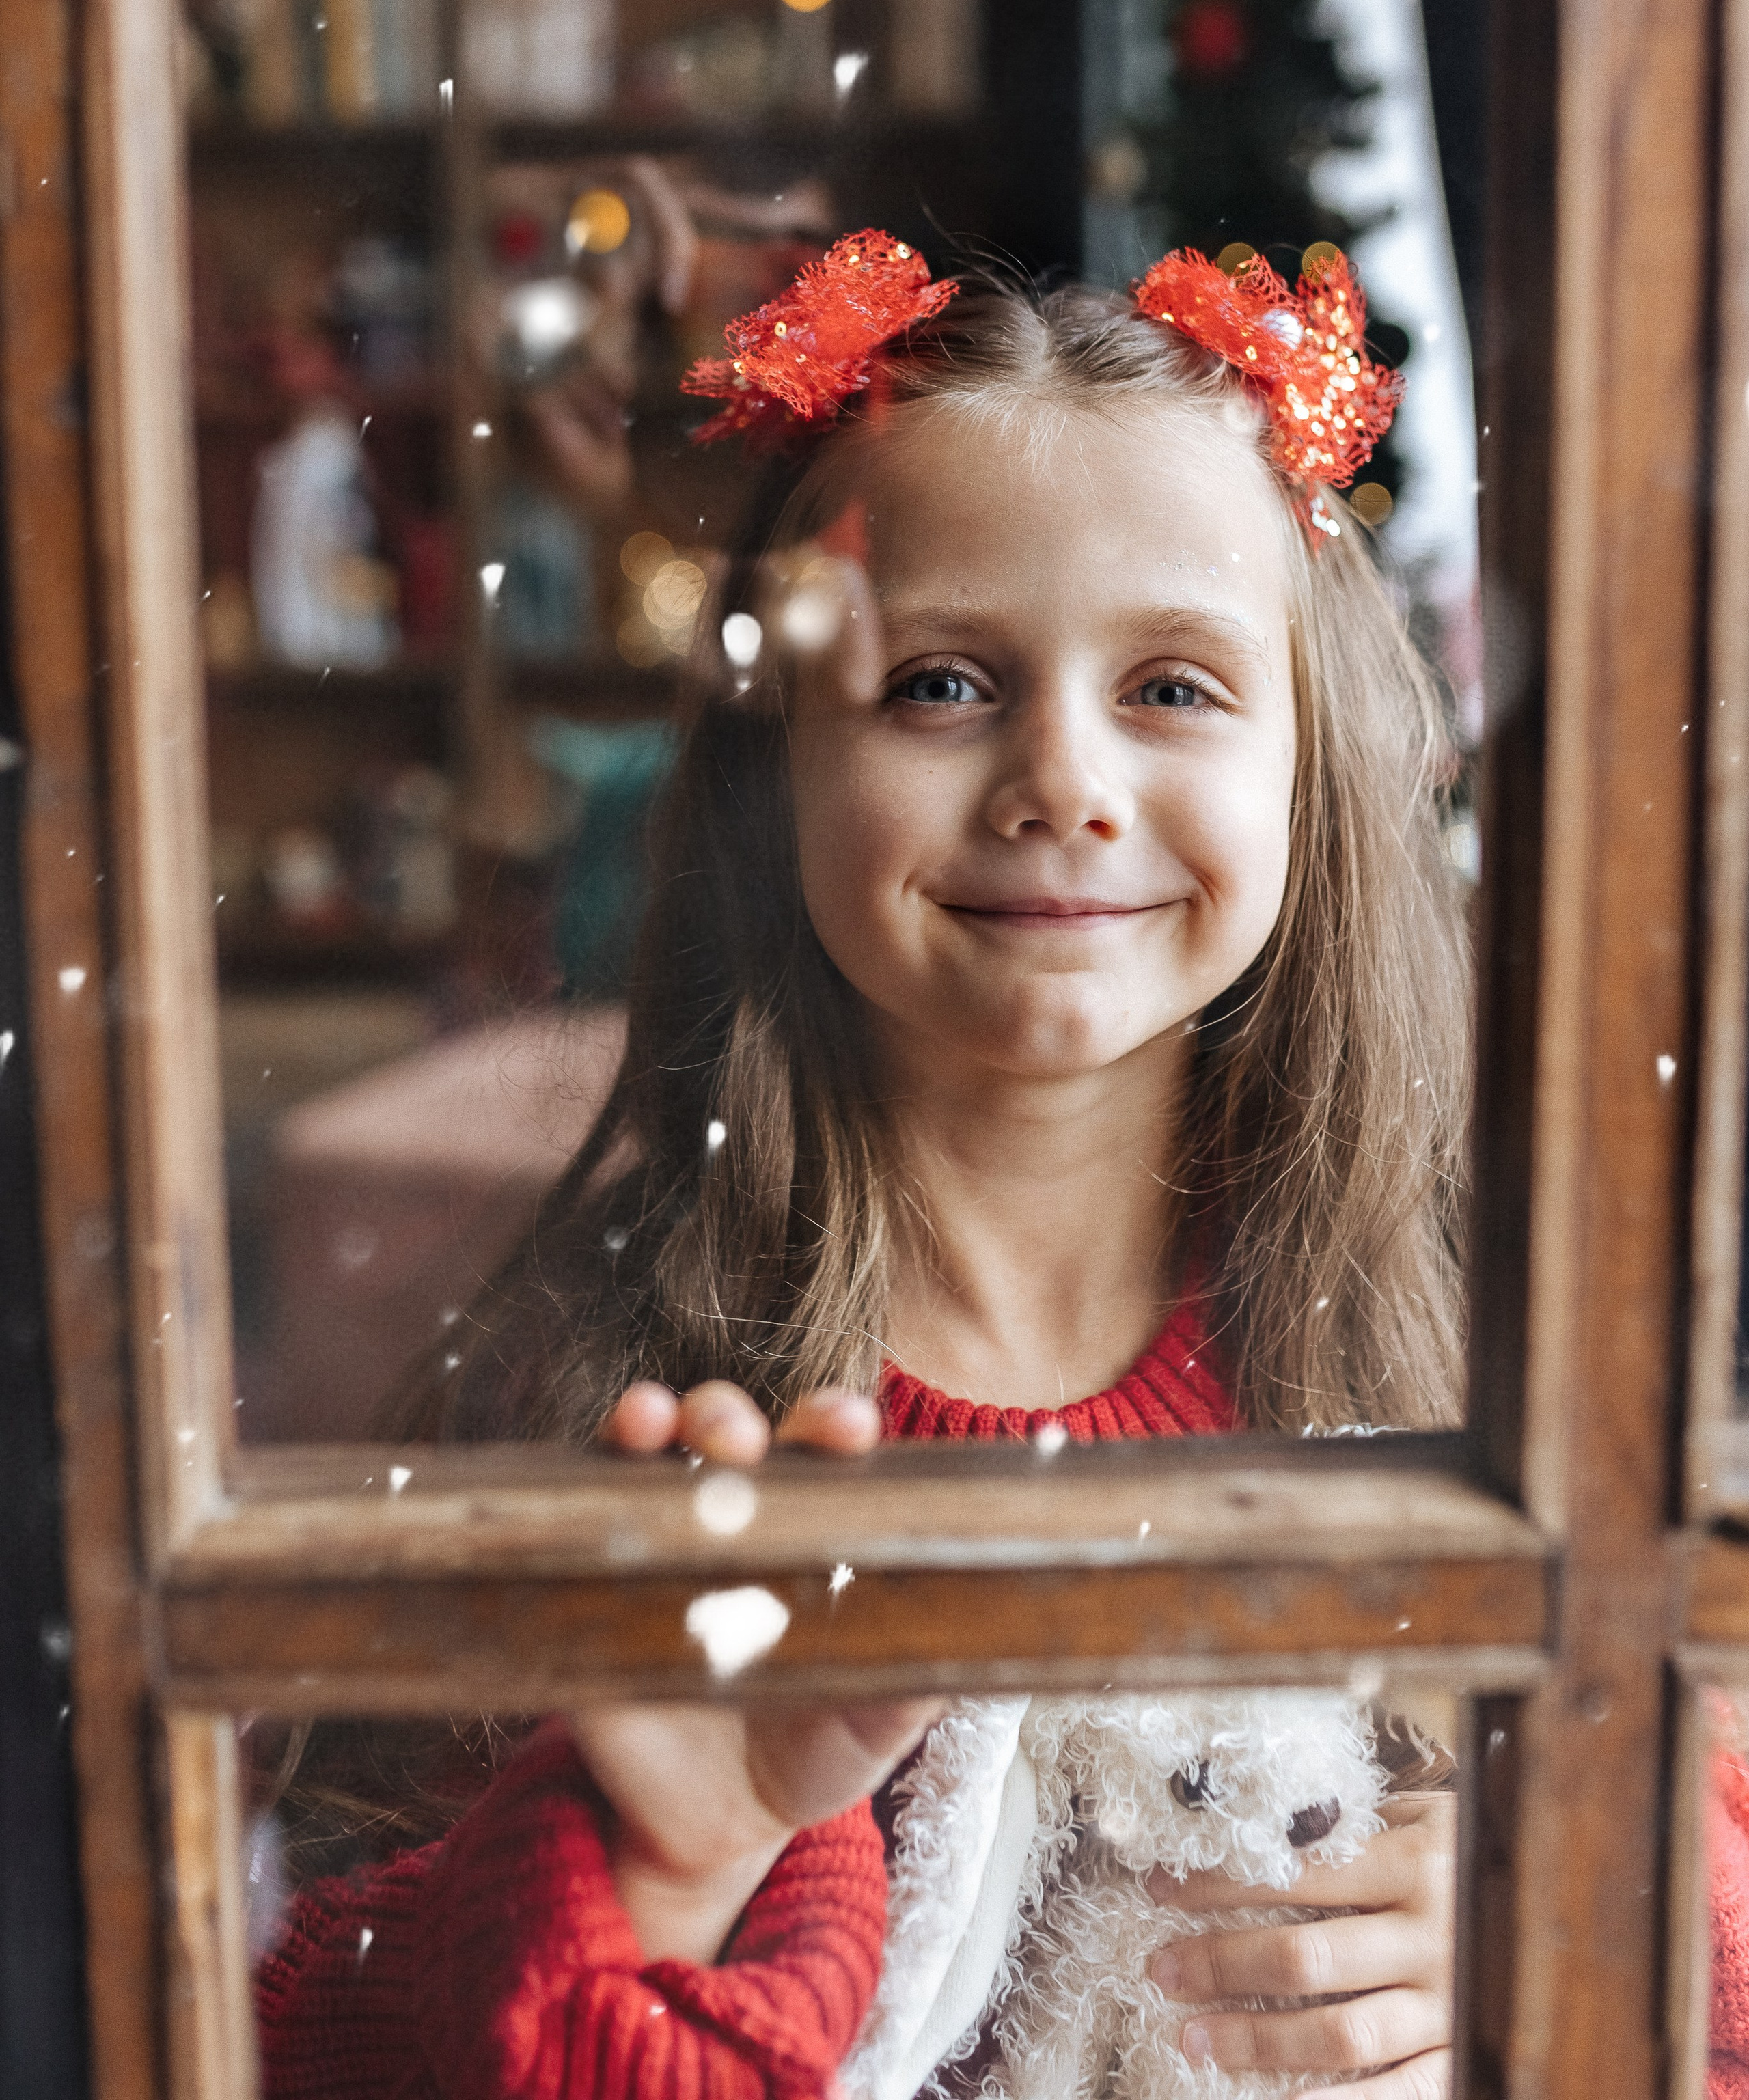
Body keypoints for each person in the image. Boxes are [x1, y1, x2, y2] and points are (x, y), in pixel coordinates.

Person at [249, 230, 1711, 2098]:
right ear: (783, 770)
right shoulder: (630, 1403)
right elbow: (289, 2013)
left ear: (1313, 766)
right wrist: (648, 1883)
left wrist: (1596, 1910)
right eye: (942, 684)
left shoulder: (1465, 1354)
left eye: (1174, 686)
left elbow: (1705, 1864)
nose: (1064, 782)